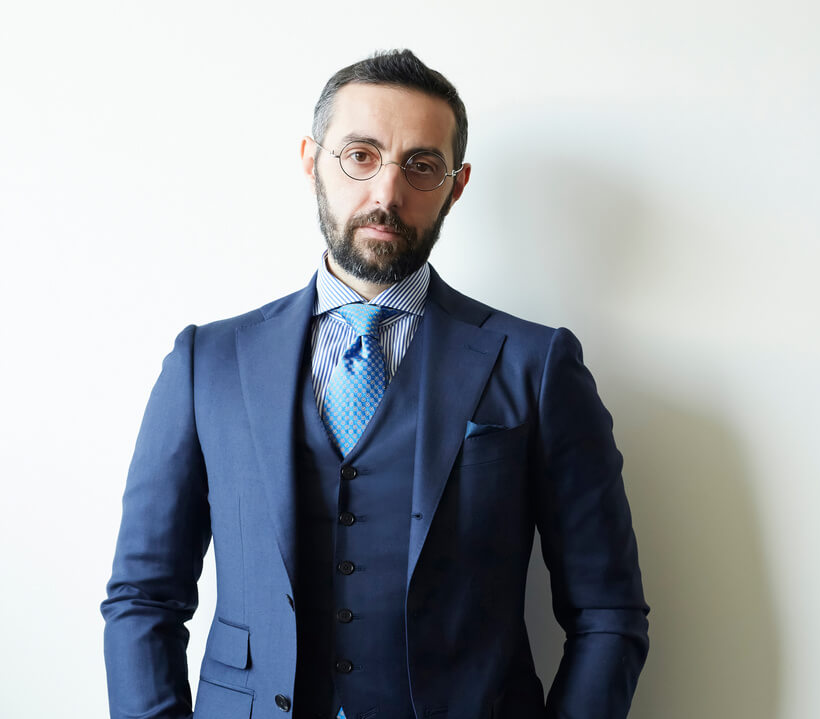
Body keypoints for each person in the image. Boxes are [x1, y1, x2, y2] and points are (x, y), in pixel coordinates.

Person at [101, 49, 649, 719]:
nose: (387, 194)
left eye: (420, 165)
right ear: (311, 161)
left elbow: (607, 612)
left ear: (455, 185)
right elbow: (143, 597)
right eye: (360, 156)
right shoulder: (206, 362)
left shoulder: (536, 364)